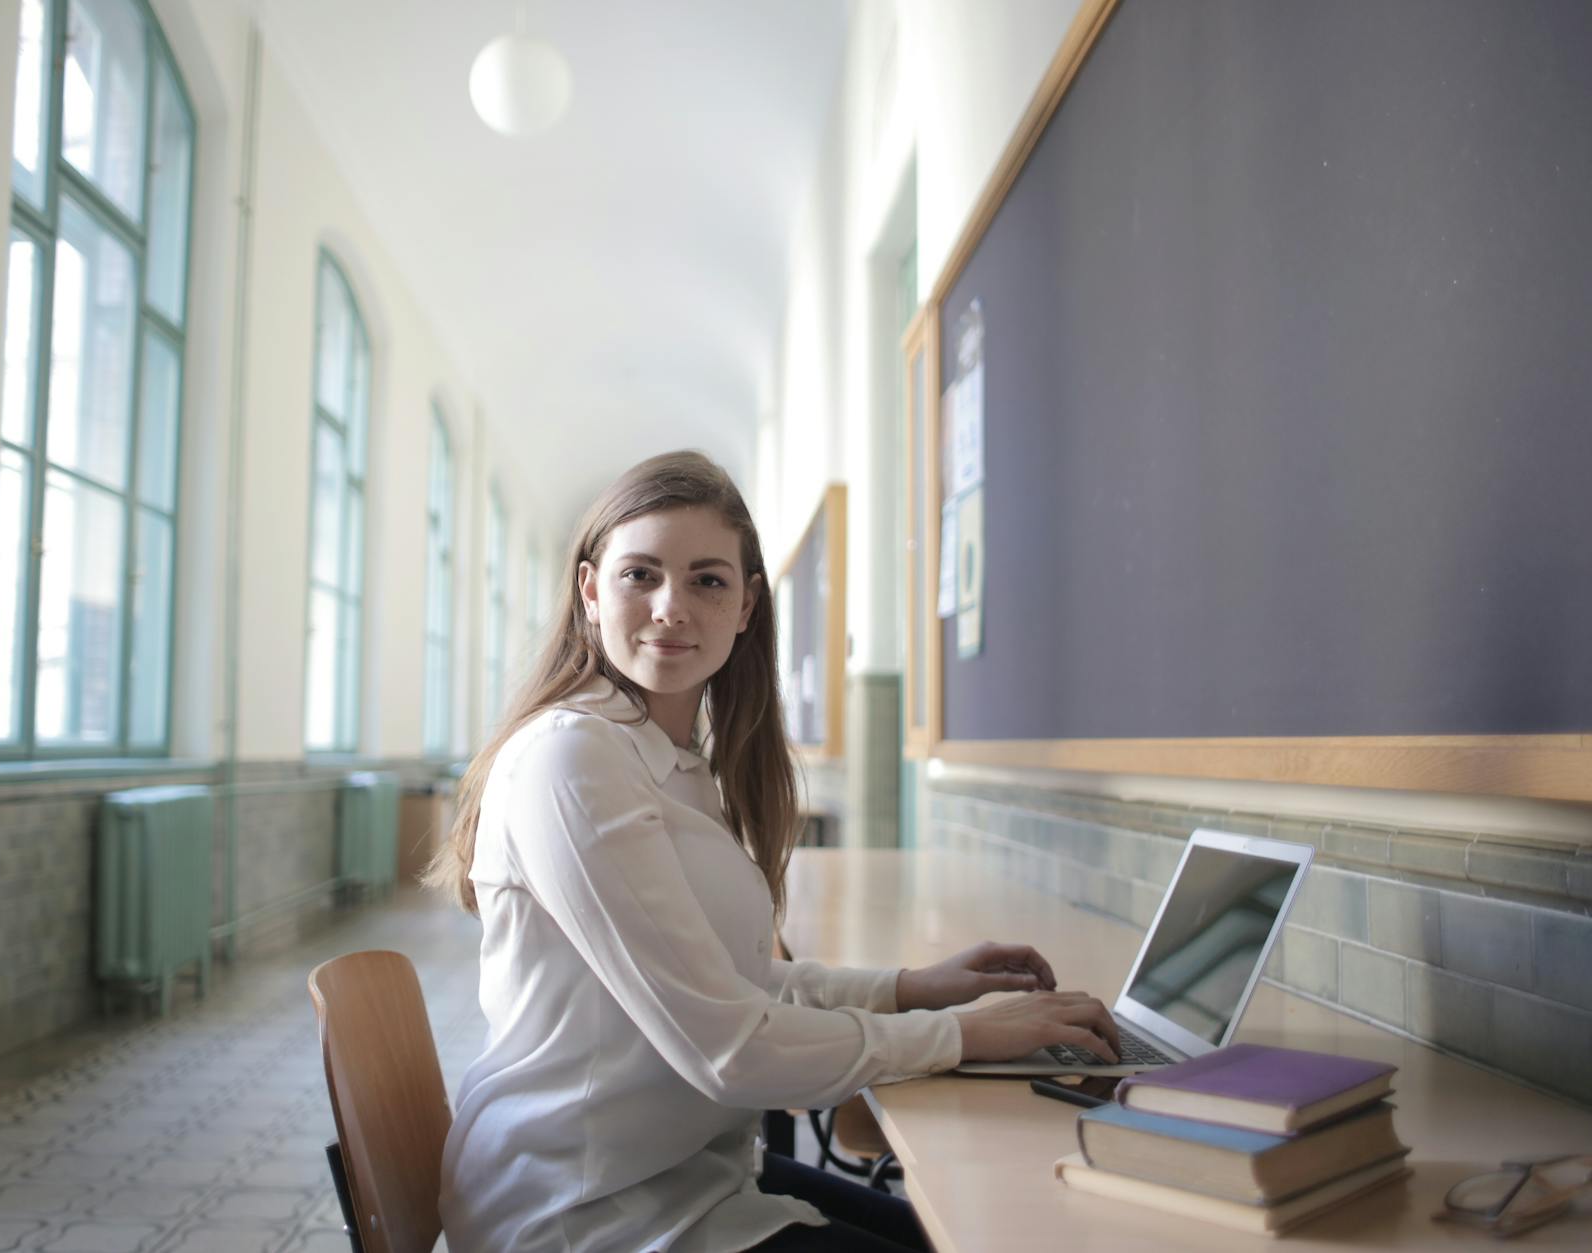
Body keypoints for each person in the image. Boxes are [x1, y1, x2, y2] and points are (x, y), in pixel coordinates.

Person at [428, 451, 1120, 1252]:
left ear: (748, 603)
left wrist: (912, 988)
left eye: (707, 580)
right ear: (590, 589)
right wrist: (967, 1032)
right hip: (583, 1215)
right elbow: (729, 1049)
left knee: (971, 1228)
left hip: (684, 1178)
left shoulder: (671, 761)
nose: (670, 608)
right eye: (640, 574)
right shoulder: (571, 759)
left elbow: (731, 984)